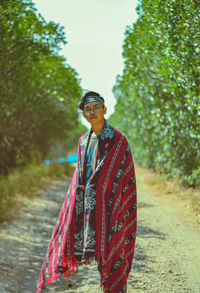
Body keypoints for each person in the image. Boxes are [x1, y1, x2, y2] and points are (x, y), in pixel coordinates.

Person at [36, 91, 137, 293]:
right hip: (88, 206)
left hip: (111, 204)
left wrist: (103, 190)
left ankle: (117, 289)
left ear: (104, 110)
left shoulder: (118, 139)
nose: (92, 112)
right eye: (87, 109)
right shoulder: (83, 141)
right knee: (98, 250)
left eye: (95, 108)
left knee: (111, 249)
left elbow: (124, 175)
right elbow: (80, 174)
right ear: (84, 114)